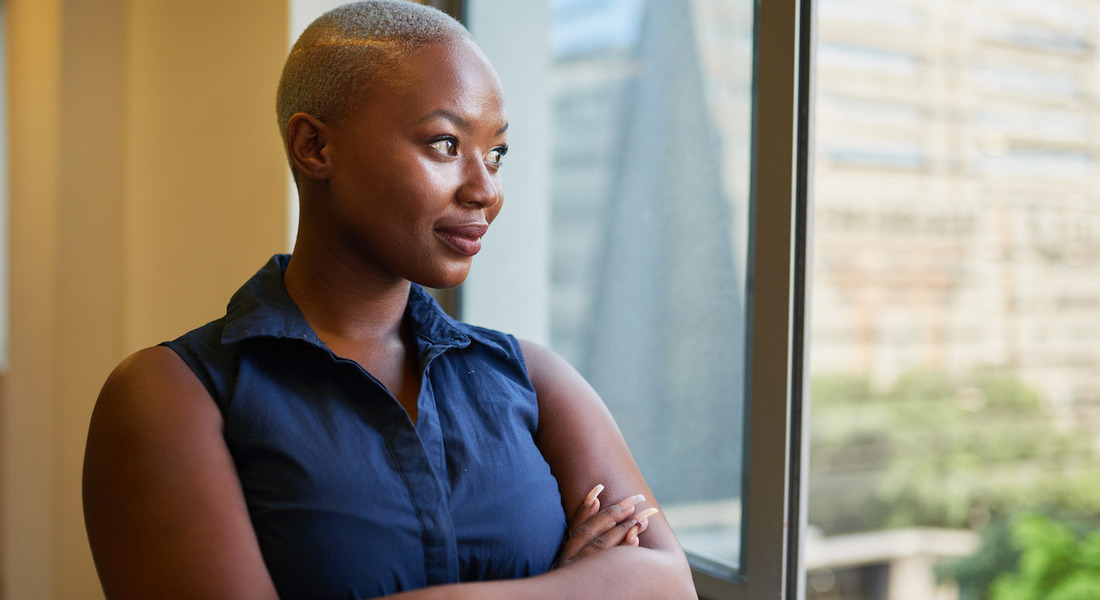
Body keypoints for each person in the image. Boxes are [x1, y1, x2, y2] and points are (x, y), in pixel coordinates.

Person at [82, 2, 697, 599]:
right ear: (314, 148)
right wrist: (570, 587)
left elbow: (668, 585)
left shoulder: (532, 380)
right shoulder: (171, 396)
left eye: (497, 152)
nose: (485, 189)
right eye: (445, 144)